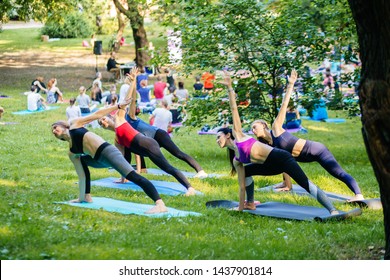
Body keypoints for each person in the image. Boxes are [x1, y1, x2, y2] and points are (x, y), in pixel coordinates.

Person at [217, 70, 338, 214]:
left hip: (283, 159)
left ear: (228, 135)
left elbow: (234, 109)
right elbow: (242, 187)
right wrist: (241, 209)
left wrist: (229, 88)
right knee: (246, 172)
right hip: (270, 166)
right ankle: (250, 204)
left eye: (219, 137)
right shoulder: (237, 161)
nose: (217, 140)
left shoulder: (239, 135)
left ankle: (333, 210)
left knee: (306, 184)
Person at [252, 70, 364, 201]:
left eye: (254, 127)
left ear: (264, 125)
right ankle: (287, 185)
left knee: (338, 173)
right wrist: (287, 184)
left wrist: (290, 85)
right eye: (251, 129)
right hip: (306, 157)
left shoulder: (276, 128)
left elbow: (284, 105)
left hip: (316, 150)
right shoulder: (268, 145)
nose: (253, 130)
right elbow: (284, 163)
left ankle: (359, 195)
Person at [51, 98, 168, 214]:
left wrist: (118, 106)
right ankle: (85, 197)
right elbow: (82, 176)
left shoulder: (74, 124)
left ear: (62, 125)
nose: (54, 131)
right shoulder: (71, 153)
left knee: (133, 176)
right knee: (81, 160)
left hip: (108, 152)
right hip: (98, 160)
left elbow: (97, 114)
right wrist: (80, 197)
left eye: (55, 127)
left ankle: (160, 204)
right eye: (53, 132)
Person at [98, 69, 197, 195]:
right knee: (165, 167)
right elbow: (124, 160)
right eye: (101, 123)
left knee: (167, 168)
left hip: (148, 145)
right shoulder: (117, 139)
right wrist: (123, 177)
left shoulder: (119, 118)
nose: (103, 122)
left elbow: (129, 99)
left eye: (103, 119)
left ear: (110, 117)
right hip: (143, 150)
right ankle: (188, 187)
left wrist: (133, 82)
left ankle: (189, 188)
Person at [125, 69, 208, 178]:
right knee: (130, 146)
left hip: (159, 135)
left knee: (178, 153)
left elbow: (132, 100)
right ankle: (141, 170)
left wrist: (133, 83)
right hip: (151, 141)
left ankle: (200, 170)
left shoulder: (130, 117)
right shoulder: (124, 126)